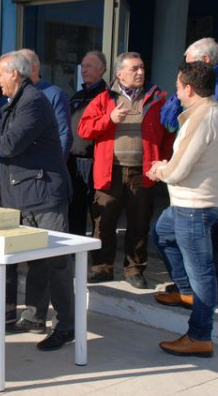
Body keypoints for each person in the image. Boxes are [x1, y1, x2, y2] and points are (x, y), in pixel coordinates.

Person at [0, 51, 74, 352]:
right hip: (26, 195)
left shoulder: (32, 102)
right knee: (36, 262)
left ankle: (66, 326)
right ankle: (34, 317)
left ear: (14, 74)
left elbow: (7, 144)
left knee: (56, 264)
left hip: (45, 195)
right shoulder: (14, 103)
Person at [160, 37, 218, 304]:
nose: (183, 65)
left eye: (187, 61)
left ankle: (212, 295)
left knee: (208, 245)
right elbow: (167, 120)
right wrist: (181, 92)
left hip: (210, 186)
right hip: (189, 185)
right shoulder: (193, 89)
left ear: (205, 60)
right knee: (169, 235)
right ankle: (189, 290)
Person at [148, 61, 218, 357]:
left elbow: (179, 169)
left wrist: (159, 170)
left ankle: (199, 335)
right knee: (162, 234)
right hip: (192, 204)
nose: (176, 93)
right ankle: (185, 292)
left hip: (194, 207)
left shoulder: (202, 117)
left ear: (190, 88)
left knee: (201, 273)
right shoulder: (216, 113)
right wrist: (168, 167)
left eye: (178, 87)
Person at [78, 51, 174, 289]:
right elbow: (84, 130)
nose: (140, 72)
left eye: (142, 68)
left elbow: (169, 134)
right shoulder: (104, 99)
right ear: (119, 73)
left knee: (139, 223)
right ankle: (102, 267)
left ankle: (134, 269)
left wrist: (162, 161)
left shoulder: (157, 98)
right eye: (134, 69)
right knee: (104, 222)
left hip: (142, 172)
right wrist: (109, 119)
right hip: (110, 171)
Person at [67, 50, 108, 235]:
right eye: (82, 66)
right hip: (73, 162)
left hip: (96, 162)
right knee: (75, 210)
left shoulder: (108, 96)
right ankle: (76, 248)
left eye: (89, 66)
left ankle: (98, 250)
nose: (84, 70)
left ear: (101, 69)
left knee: (98, 211)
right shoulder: (76, 96)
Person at [19, 49, 72, 160]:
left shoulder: (54, 94)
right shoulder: (9, 96)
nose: (15, 73)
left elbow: (63, 133)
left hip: (44, 164)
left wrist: (57, 164)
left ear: (34, 69)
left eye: (20, 68)